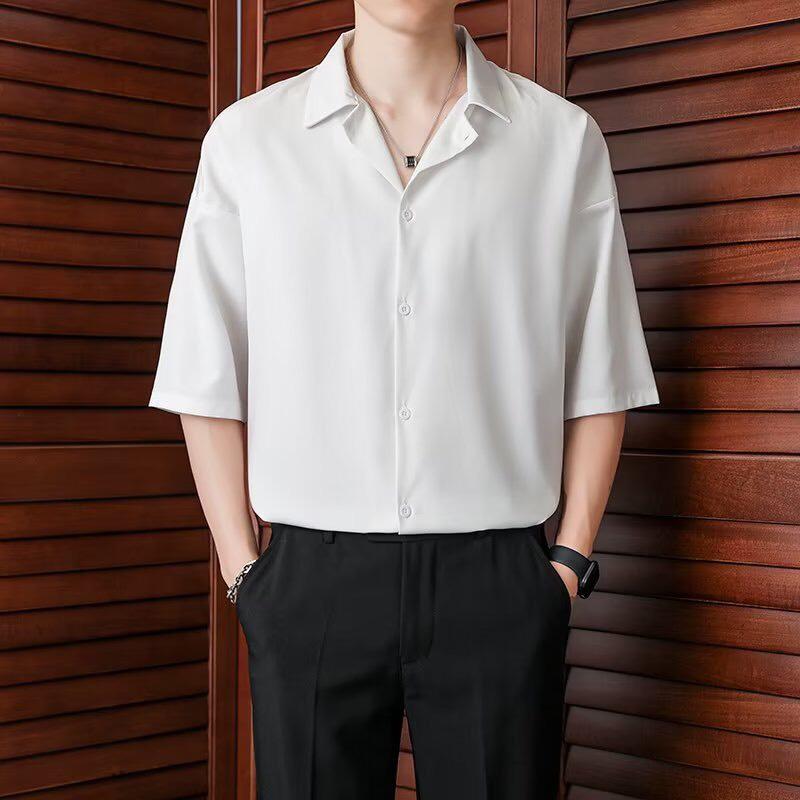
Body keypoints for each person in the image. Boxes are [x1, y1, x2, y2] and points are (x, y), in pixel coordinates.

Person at [149, 2, 659, 798]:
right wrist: (243, 572)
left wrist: (566, 564)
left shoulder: (560, 142)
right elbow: (203, 372)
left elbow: (603, 369)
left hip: (498, 582)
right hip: (309, 583)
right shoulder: (249, 142)